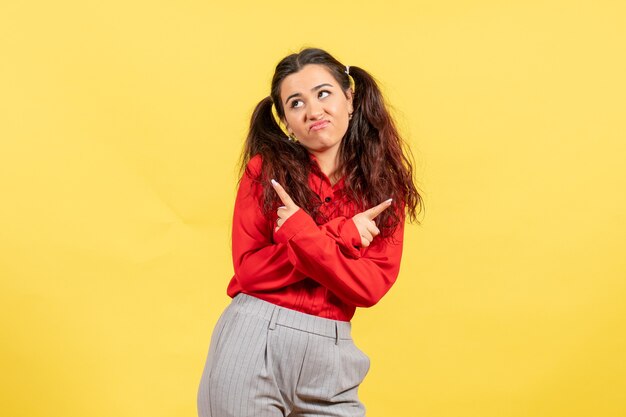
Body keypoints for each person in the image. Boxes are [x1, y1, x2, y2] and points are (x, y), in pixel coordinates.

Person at [197, 47, 422, 417]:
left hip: (331, 352)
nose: (313, 111)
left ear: (350, 98)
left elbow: (370, 286)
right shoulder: (265, 170)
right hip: (253, 338)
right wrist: (340, 233)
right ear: (286, 121)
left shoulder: (383, 189)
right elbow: (251, 271)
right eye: (296, 103)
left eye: (323, 93)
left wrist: (303, 234)